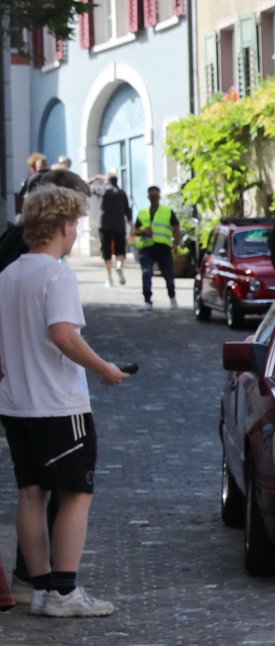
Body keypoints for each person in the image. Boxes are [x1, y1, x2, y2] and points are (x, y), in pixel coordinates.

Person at [0, 185, 130, 617]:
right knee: (76, 493)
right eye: (74, 223)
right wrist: (104, 368)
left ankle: (40, 590)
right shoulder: (57, 275)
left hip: (15, 404)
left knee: (31, 493)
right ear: (62, 226)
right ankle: (64, 592)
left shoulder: (8, 275)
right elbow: (63, 334)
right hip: (57, 404)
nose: (75, 231)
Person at [133, 185, 179, 310]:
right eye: (152, 196)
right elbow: (135, 231)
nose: (154, 199)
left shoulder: (167, 211)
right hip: (147, 248)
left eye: (156, 196)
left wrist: (176, 243)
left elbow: (176, 228)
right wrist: (143, 232)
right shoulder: (142, 213)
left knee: (168, 275)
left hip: (163, 248)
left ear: (159, 197)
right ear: (148, 197)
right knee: (146, 273)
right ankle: (147, 300)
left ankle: (172, 297)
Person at [93, 172, 132, 288]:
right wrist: (132, 227)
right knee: (120, 250)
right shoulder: (122, 193)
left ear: (107, 181)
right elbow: (128, 211)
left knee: (107, 251)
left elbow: (85, 185)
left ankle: (109, 278)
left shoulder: (101, 190)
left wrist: (96, 178)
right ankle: (119, 265)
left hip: (104, 224)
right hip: (119, 225)